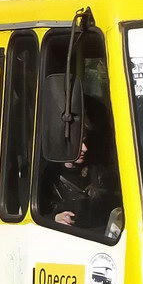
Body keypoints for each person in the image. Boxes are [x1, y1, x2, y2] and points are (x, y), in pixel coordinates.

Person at [40, 98, 119, 231]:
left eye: (86, 142)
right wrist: (55, 219)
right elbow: (36, 215)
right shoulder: (48, 177)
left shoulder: (100, 173)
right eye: (79, 143)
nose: (84, 148)